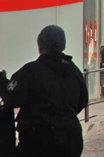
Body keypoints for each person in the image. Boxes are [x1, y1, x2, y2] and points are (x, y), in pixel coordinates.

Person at [1, 25, 87, 156]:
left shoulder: (31, 71)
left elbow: (12, 98)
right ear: (62, 45)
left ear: (40, 46)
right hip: (71, 138)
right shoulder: (73, 70)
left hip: (38, 139)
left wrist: (2, 83)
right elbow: (82, 100)